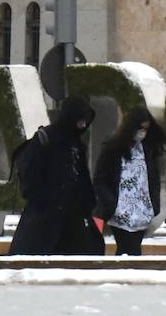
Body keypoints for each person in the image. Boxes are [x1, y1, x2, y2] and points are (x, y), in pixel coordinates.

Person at [8, 95, 104, 256]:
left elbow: (81, 177)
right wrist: (45, 198)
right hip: (44, 217)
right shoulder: (46, 138)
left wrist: (88, 202)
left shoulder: (77, 145)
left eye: (85, 120)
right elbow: (31, 176)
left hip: (73, 217)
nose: (83, 125)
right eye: (79, 119)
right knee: (37, 261)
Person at [94, 107, 164, 256]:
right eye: (140, 128)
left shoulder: (148, 149)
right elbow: (100, 179)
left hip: (142, 210)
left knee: (134, 250)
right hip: (120, 210)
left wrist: (154, 205)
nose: (142, 133)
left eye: (146, 129)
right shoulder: (113, 148)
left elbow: (153, 179)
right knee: (126, 248)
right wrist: (111, 204)